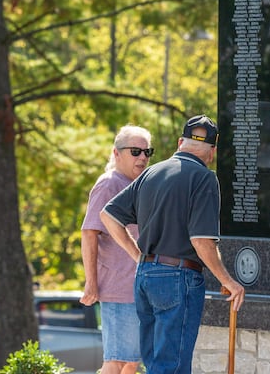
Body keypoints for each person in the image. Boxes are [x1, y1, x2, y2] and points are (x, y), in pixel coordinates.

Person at [100, 115, 245, 374]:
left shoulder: (150, 173)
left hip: (145, 276)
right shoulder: (204, 178)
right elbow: (201, 240)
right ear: (212, 151)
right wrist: (228, 281)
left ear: (180, 142)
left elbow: (108, 216)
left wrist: (138, 256)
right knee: (172, 367)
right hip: (178, 279)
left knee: (156, 364)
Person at [80, 125, 152, 374]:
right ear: (116, 153)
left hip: (138, 287)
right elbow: (89, 233)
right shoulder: (109, 184)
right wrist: (91, 282)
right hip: (118, 289)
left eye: (147, 151)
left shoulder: (139, 185)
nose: (142, 157)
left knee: (130, 362)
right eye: (135, 151)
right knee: (116, 361)